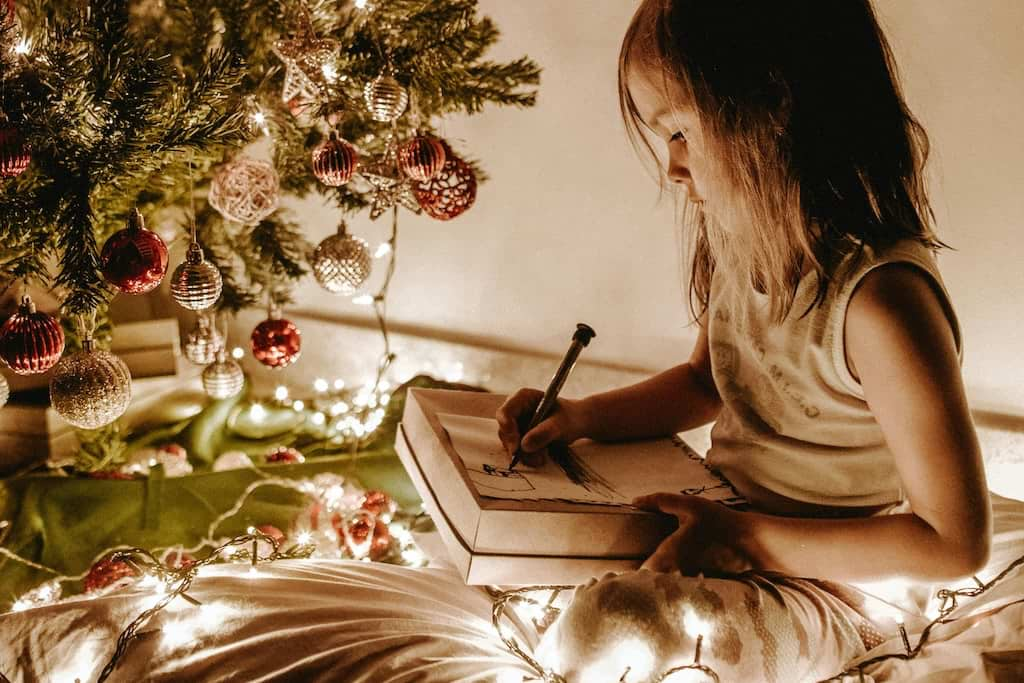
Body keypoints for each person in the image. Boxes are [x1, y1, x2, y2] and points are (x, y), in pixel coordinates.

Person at [497, 1, 1023, 679]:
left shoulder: (882, 303)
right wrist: (579, 417)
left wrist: (745, 541)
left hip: (834, 584)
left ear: (773, 109)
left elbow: (955, 543)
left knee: (611, 631)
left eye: (680, 131)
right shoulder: (741, 243)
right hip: (722, 527)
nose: (672, 167)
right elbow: (703, 383)